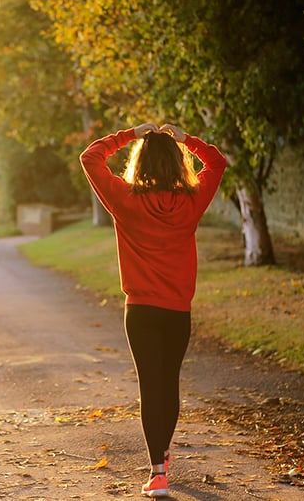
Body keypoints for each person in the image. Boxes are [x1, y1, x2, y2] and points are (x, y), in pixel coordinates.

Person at [79, 122, 227, 498]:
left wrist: (130, 134)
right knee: (169, 383)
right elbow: (217, 161)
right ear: (178, 164)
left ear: (139, 163)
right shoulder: (192, 200)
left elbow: (90, 157)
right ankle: (162, 455)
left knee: (150, 385)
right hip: (177, 311)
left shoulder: (125, 199)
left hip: (141, 311)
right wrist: (186, 140)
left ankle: (158, 472)